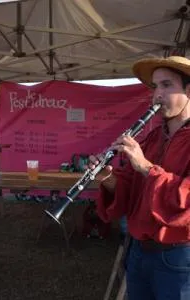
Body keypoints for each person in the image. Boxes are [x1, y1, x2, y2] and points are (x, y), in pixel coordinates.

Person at [89, 55, 190, 300]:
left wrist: (146, 167)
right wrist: (108, 179)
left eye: (167, 85)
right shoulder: (153, 137)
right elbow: (133, 189)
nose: (157, 95)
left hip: (179, 257)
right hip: (138, 251)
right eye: (155, 87)